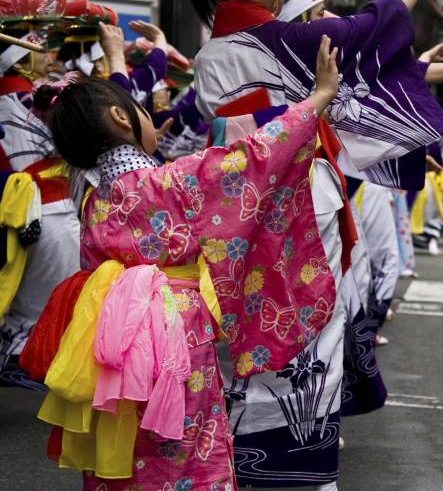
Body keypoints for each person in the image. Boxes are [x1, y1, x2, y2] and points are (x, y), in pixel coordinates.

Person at [188, 0, 443, 488]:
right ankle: (300, 473)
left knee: (249, 334)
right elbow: (367, 28)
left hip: (236, 207)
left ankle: (242, 458)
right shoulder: (276, 42)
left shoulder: (212, 52)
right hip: (299, 202)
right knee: (308, 337)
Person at [28, 36, 342, 491]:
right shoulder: (170, 182)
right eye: (140, 110)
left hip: (110, 337)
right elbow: (252, 159)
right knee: (183, 439)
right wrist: (318, 99)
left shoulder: (93, 200)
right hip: (174, 332)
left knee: (126, 437)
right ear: (121, 118)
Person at [0, 24, 81, 389]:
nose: (51, 57)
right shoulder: (38, 99)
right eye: (40, 50)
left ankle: (18, 357)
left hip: (15, 210)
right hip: (50, 210)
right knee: (51, 297)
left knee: (21, 296)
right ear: (22, 61)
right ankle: (34, 361)